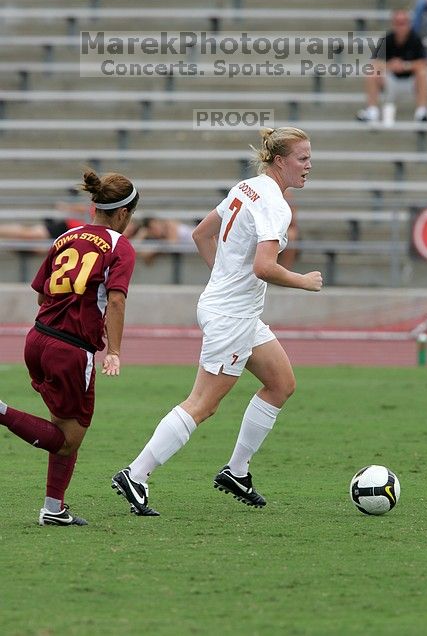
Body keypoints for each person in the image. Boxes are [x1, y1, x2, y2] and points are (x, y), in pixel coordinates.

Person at [111, 127, 322, 516]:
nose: (309, 165)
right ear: (280, 161)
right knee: (203, 404)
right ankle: (135, 474)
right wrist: (303, 282)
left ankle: (236, 471)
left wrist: (222, 277)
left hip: (228, 307)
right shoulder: (276, 205)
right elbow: (264, 267)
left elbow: (199, 234)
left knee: (280, 384)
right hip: (232, 315)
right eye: (303, 158)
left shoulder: (247, 187)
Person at [0, 170, 139, 526]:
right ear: (123, 213)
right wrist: (115, 351)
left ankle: (54, 508)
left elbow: (41, 288)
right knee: (66, 439)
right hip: (71, 349)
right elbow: (118, 302)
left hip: (38, 337)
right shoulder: (120, 246)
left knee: (63, 426)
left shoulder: (66, 237)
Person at [356, 10, 427, 124]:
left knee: (422, 72)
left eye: (403, 23)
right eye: (398, 23)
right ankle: (372, 111)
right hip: (391, 80)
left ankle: (422, 112)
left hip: (412, 81)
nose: (400, 27)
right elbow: (375, 62)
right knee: (372, 71)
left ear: (408, 24)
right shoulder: (388, 39)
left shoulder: (415, 39)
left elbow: (424, 63)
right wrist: (390, 65)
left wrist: (405, 65)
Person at [128, 216, 195, 265]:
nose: (156, 230)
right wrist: (141, 234)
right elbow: (145, 258)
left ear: (158, 221)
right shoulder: (159, 242)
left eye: (155, 226)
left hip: (201, 238)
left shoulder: (169, 224)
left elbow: (172, 245)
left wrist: (156, 250)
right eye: (152, 230)